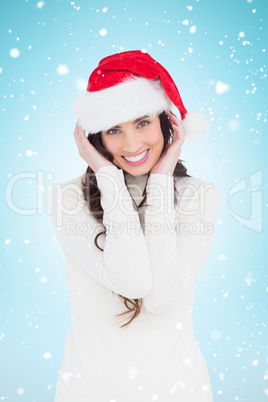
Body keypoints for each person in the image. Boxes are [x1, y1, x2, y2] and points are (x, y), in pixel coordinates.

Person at [47, 50, 221, 402]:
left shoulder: (199, 195)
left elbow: (161, 299)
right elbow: (132, 279)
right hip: (90, 392)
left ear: (167, 124)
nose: (132, 144)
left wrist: (161, 180)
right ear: (95, 139)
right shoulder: (67, 198)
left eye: (142, 122)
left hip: (179, 390)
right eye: (114, 130)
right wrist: (108, 178)